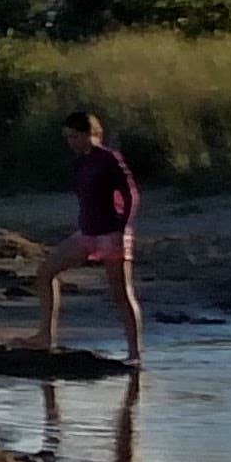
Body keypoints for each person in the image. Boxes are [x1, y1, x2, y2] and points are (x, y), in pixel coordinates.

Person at [38, 106, 146, 367]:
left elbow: (131, 195)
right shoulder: (80, 163)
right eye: (67, 138)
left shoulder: (109, 158)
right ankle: (45, 336)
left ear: (91, 134)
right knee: (45, 272)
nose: (70, 143)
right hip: (87, 233)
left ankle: (135, 353)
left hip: (112, 233)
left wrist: (122, 230)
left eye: (74, 137)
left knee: (121, 293)